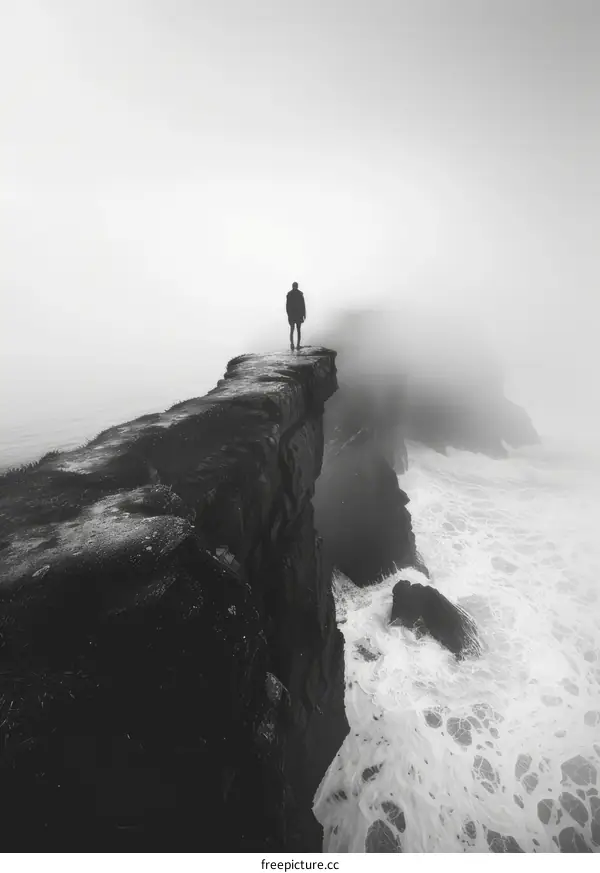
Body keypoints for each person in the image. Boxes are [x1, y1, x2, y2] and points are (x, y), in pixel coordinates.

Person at [286, 281, 306, 351]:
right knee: (298, 330)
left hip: (292, 315)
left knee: (292, 330)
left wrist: (288, 315)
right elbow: (303, 305)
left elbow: (287, 306)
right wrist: (304, 314)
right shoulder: (300, 294)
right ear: (297, 286)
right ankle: (297, 345)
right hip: (298, 315)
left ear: (292, 286)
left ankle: (292, 344)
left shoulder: (289, 294)